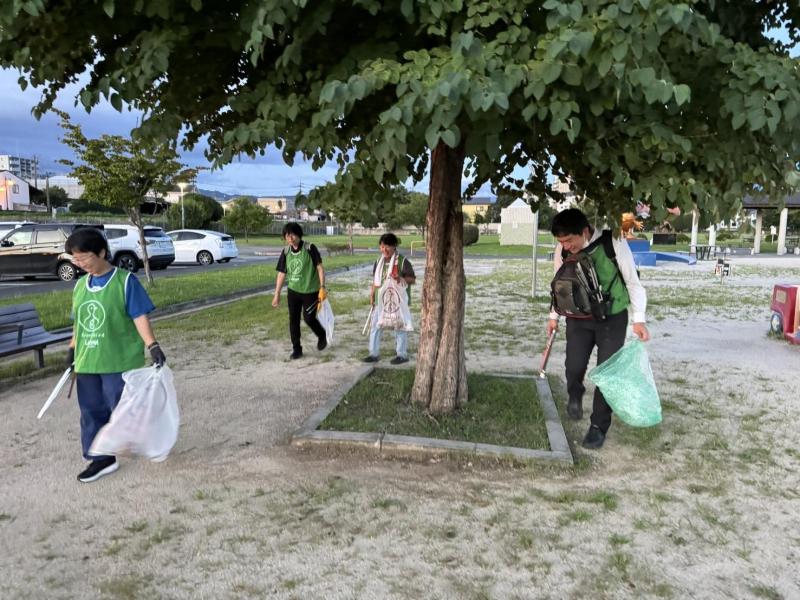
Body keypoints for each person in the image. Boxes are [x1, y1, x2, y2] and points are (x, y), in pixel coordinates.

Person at [66, 227, 166, 483]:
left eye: (84, 257)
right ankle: (101, 459)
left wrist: (152, 345)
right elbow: (79, 322)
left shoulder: (124, 281)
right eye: (75, 259)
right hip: (88, 361)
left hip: (118, 359)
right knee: (91, 411)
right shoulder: (79, 286)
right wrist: (72, 349)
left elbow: (138, 315)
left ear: (101, 252)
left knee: (121, 407)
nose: (80, 263)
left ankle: (133, 441)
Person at [546, 208, 650, 450]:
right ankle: (575, 392)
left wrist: (639, 319)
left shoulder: (613, 242)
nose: (566, 246)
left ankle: (598, 426)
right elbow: (560, 286)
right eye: (561, 242)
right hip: (578, 318)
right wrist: (553, 317)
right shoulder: (562, 251)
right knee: (573, 366)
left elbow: (633, 283)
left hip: (611, 319)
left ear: (584, 232)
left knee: (607, 373)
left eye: (569, 240)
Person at [272, 222, 327, 360]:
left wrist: (322, 287)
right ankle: (297, 349)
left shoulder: (309, 248)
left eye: (292, 235)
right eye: (287, 235)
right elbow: (281, 274)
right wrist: (277, 294)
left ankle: (321, 335)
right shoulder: (286, 252)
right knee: (293, 320)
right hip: (293, 291)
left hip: (310, 291)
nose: (290, 238)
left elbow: (320, 267)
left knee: (309, 318)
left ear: (298, 235)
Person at [362, 233, 416, 364]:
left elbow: (412, 279)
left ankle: (401, 355)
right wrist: (372, 295)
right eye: (381, 246)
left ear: (394, 246)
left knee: (399, 326)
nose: (384, 250)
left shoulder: (403, 261)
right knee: (375, 325)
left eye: (387, 246)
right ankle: (373, 354)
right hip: (381, 301)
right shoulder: (378, 262)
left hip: (397, 301)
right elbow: (375, 281)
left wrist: (400, 278)